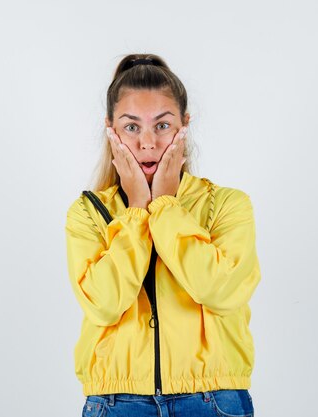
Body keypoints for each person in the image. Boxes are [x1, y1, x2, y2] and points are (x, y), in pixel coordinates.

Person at [64, 53, 261, 417]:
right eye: (132, 127)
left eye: (163, 125)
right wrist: (138, 210)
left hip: (214, 400)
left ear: (184, 125)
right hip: (116, 402)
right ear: (111, 129)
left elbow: (221, 291)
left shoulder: (228, 205)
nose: (148, 143)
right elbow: (104, 304)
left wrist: (167, 206)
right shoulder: (88, 214)